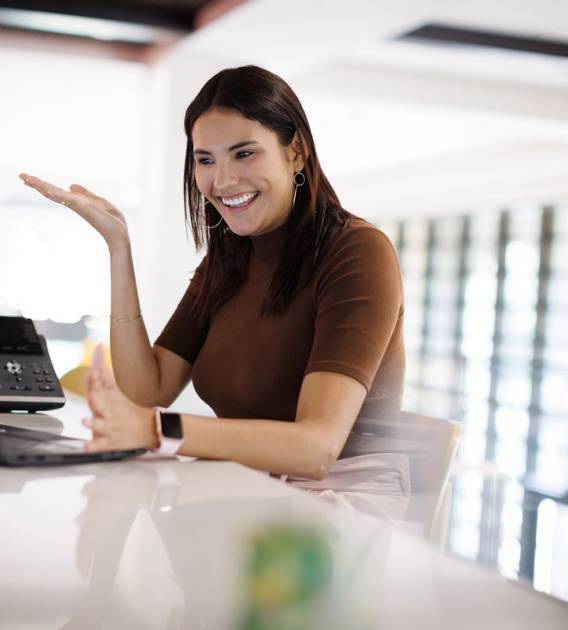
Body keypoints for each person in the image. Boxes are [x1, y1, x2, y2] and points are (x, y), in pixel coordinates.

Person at [20, 65, 406, 509]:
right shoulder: (229, 257)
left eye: (244, 154)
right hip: (246, 489)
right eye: (205, 160)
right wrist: (118, 247)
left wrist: (157, 431)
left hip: (337, 504)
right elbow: (148, 390)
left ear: (296, 151)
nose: (221, 181)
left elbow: (315, 448)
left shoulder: (357, 252)